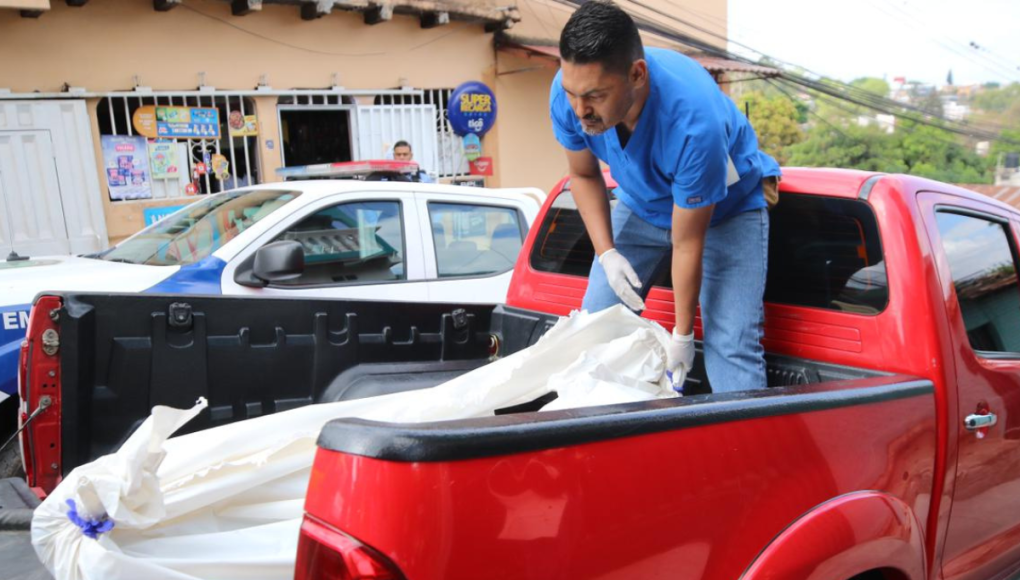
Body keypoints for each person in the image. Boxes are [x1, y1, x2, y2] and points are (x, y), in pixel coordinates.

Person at [550, 0, 781, 393]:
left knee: (730, 344)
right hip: (641, 204)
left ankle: (744, 448)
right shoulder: (569, 94)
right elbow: (583, 173)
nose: (579, 109)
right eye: (572, 93)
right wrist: (607, 254)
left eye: (593, 96)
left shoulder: (693, 123)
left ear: (637, 74)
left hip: (725, 211)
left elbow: (687, 242)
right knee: (593, 327)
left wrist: (683, 334)